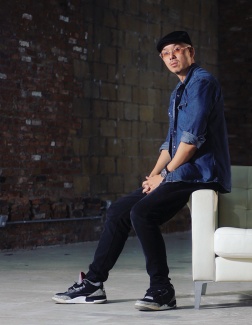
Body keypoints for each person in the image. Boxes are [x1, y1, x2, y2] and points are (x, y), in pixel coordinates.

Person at [52, 31, 231, 311]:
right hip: (182, 171)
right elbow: (170, 142)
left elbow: (191, 141)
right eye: (165, 54)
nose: (171, 57)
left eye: (177, 50)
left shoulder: (202, 83)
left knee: (142, 213)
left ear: (190, 53)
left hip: (203, 174)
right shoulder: (178, 91)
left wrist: (166, 176)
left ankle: (162, 289)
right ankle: (94, 284)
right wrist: (153, 176)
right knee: (119, 211)